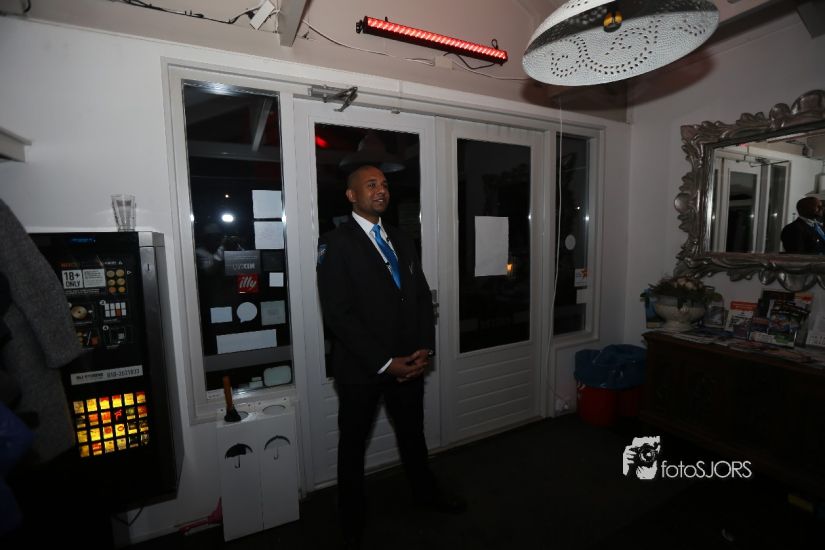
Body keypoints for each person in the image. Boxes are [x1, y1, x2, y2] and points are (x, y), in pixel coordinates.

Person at [316, 165, 465, 549]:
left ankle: (426, 494)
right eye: (371, 185)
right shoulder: (335, 243)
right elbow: (338, 315)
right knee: (353, 446)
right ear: (351, 195)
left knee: (413, 436)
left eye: (383, 184)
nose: (380, 190)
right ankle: (351, 518)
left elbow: (420, 296)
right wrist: (385, 363)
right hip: (361, 369)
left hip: (408, 363)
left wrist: (424, 347)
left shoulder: (401, 238)